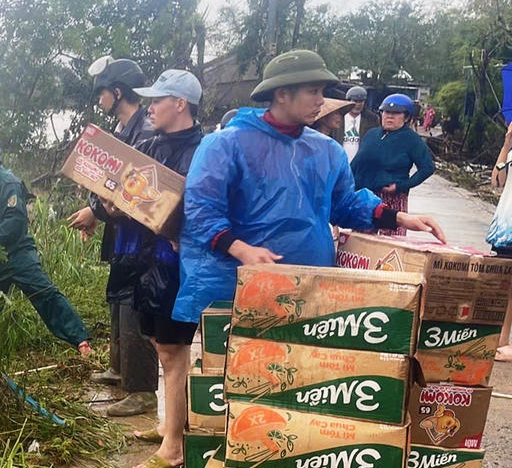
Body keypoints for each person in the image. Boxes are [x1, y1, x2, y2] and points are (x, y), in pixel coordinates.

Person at [174, 49, 447, 327]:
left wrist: (398, 217)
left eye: (322, 92)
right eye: (313, 91)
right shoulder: (226, 145)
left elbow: (344, 205)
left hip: (309, 291)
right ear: (282, 93)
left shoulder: (326, 150)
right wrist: (240, 249)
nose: (321, 101)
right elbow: (201, 209)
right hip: (242, 290)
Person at [122, 70, 205, 468]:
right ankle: (169, 423)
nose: (150, 107)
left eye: (157, 100)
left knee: (174, 351)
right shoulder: (151, 145)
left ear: (181, 104)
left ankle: (174, 445)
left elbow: (205, 206)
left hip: (178, 265)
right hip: (147, 260)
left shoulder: (203, 151)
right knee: (160, 345)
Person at [65, 57, 157, 414]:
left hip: (141, 237)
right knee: (118, 299)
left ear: (118, 92)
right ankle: (120, 369)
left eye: (102, 92)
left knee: (135, 304)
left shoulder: (145, 132)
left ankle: (142, 390)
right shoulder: (122, 131)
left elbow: (137, 189)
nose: (99, 99)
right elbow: (106, 183)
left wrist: (97, 212)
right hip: (122, 234)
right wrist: (97, 210)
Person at [0, 134, 92, 360]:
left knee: (45, 294)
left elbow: (14, 223)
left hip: (18, 255)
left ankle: (81, 341)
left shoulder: (8, 183)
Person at [351, 94, 435, 236]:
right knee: (361, 239)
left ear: (406, 117)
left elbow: (427, 168)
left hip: (392, 198)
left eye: (396, 113)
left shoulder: (411, 139)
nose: (389, 116)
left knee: (390, 242)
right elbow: (356, 164)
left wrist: (401, 186)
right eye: (386, 112)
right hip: (366, 197)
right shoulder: (371, 135)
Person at [487, 121, 512, 362]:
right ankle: (502, 339)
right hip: (506, 224)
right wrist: (506, 145)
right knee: (506, 284)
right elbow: (496, 181)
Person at [342, 85, 379, 160]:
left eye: (361, 101)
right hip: (340, 161)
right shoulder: (338, 117)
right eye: (355, 101)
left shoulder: (372, 120)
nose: (358, 104)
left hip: (361, 162)